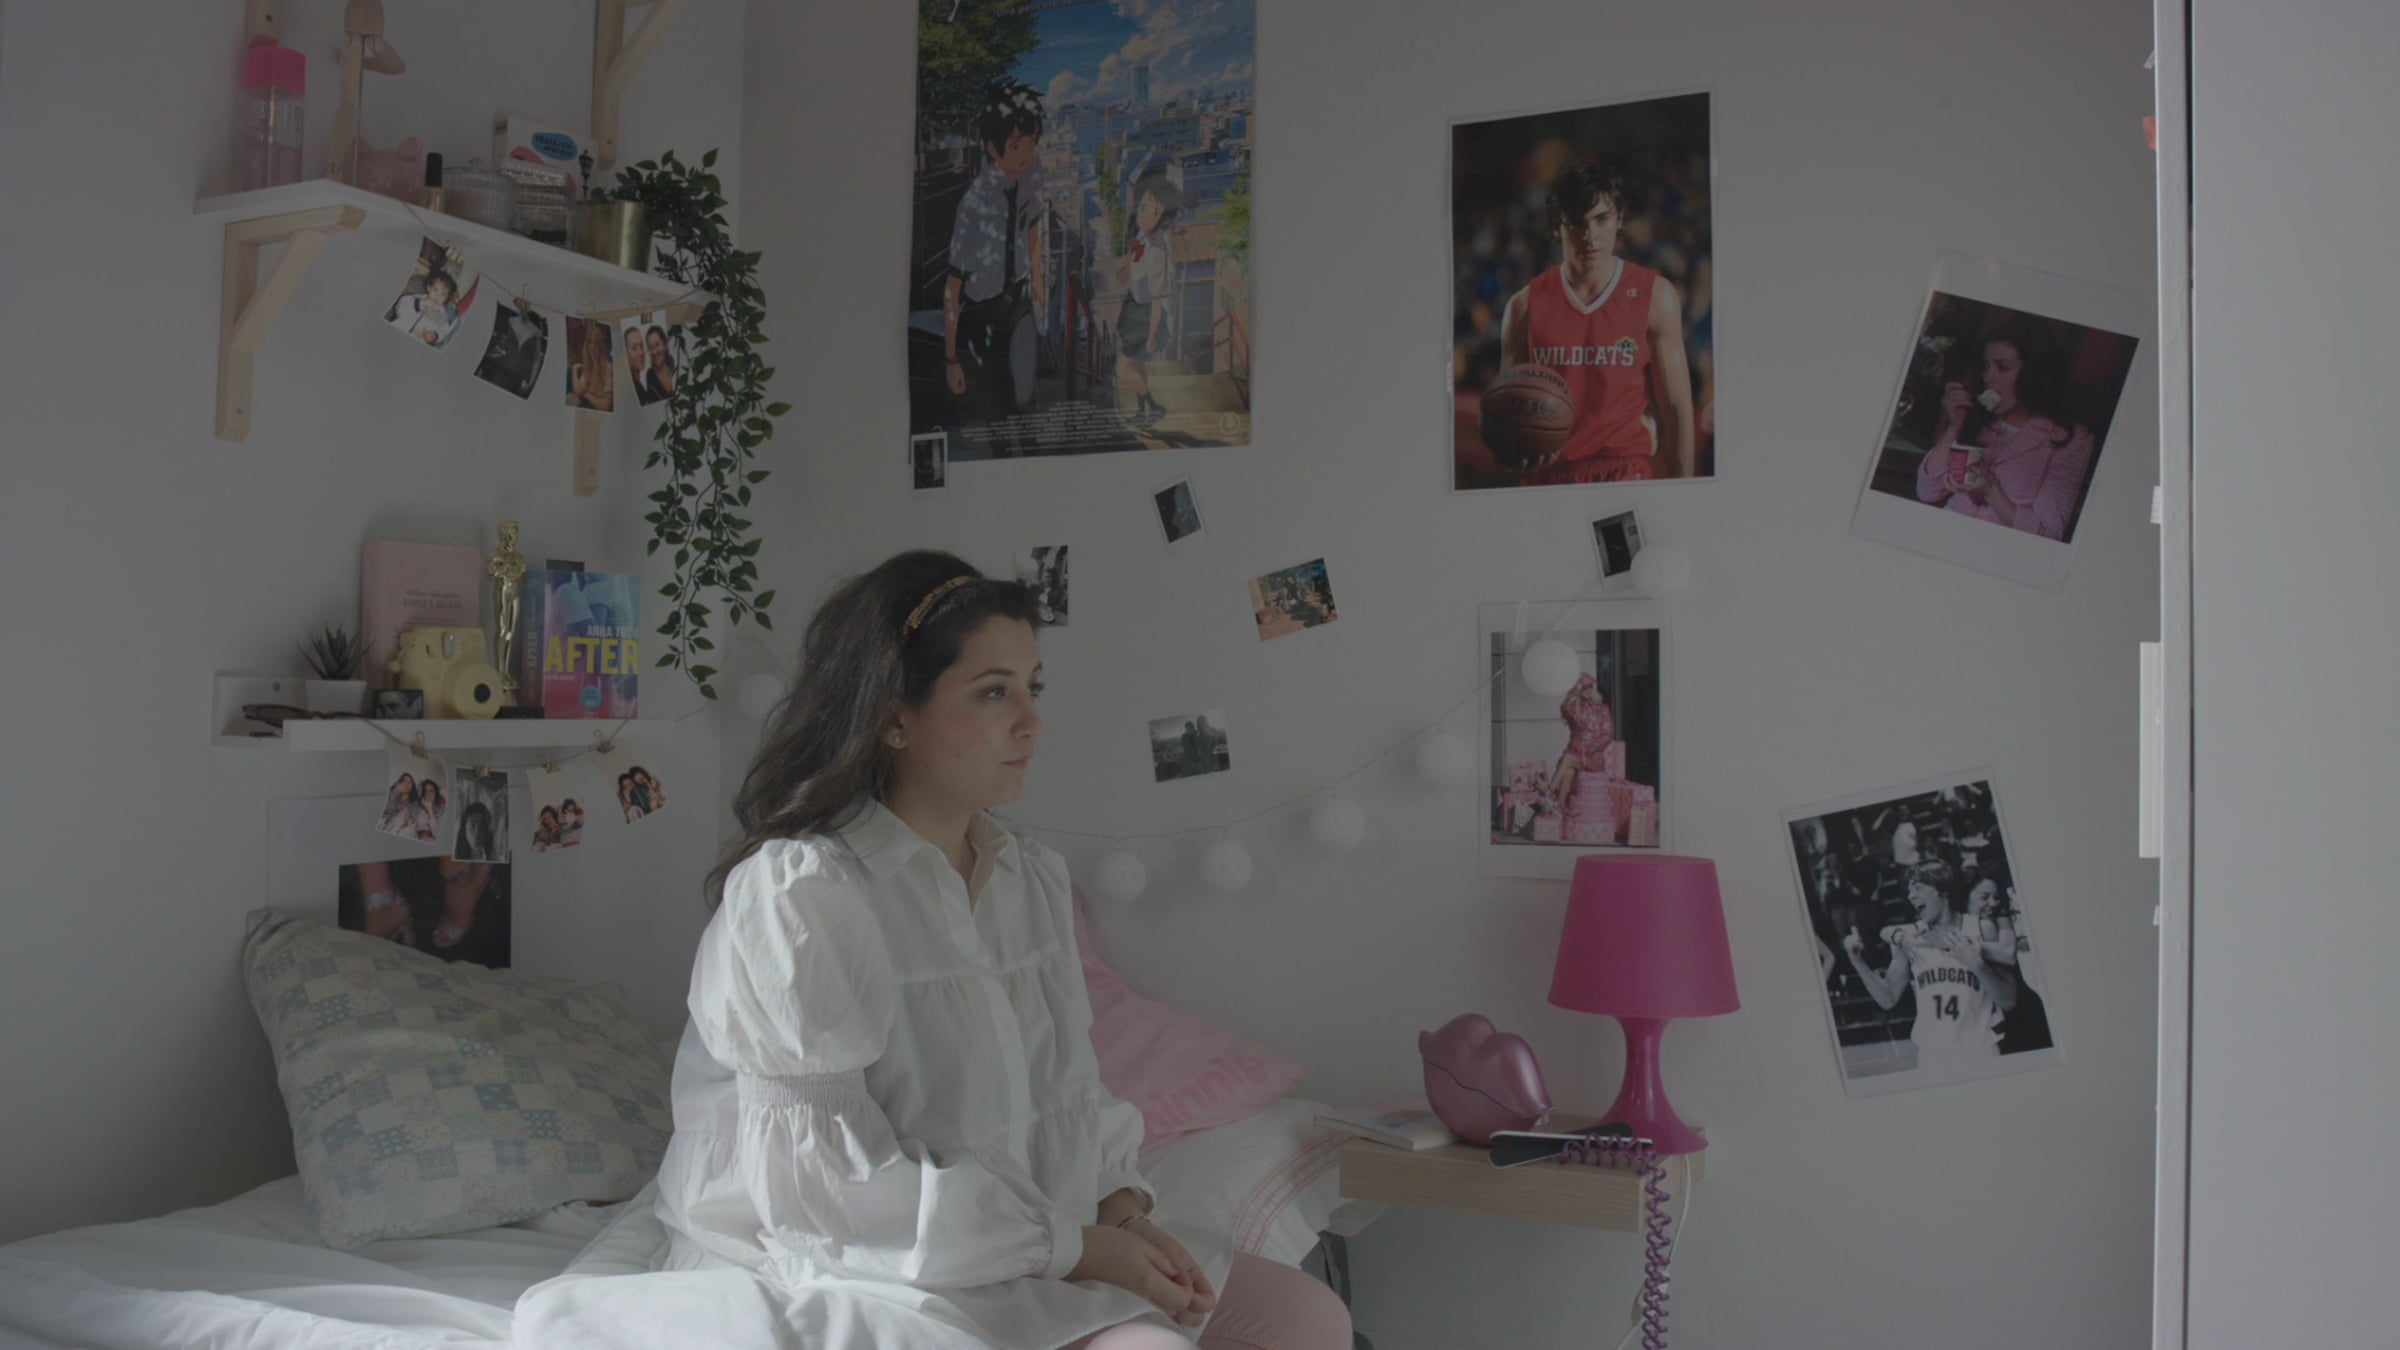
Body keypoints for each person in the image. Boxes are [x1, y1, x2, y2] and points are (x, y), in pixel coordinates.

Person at [651, 551, 1350, 1350]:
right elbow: (824, 1192)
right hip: (862, 1263)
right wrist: (1077, 1250)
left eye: (1032, 688)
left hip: (1033, 1238)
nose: (1031, 723)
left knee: (1310, 1318)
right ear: (893, 715)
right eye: (993, 692)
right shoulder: (803, 894)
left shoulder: (1029, 877)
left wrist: (1123, 1212)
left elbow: (1070, 1090)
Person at [1498, 161, 1698, 483]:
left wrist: (1685, 493)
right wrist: (1514, 447)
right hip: (1548, 478)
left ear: (1619, 220)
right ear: (1557, 227)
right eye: (1577, 222)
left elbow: (1677, 408)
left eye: (1601, 219)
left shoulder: (1654, 296)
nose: (1590, 235)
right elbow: (1506, 420)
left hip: (1625, 473)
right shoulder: (1523, 307)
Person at [1915, 317, 2098, 540]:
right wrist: (1954, 427)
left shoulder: (2072, 437)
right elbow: (1927, 492)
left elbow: (2049, 534)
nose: (1988, 378)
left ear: (2033, 372)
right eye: (1986, 367)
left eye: (2003, 367)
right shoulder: (1978, 417)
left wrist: (1990, 489)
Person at [942, 81, 1048, 440]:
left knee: (1025, 398)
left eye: (1032, 141)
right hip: (982, 314)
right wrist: (951, 359)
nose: (1027, 153)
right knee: (997, 412)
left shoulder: (1031, 179)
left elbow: (1032, 232)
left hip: (1019, 301)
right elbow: (953, 288)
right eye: (1017, 144)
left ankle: (1033, 461)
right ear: (993, 147)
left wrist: (1037, 280)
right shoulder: (974, 206)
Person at [1842, 860, 2001, 1062]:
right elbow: (1887, 999)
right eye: (1909, 890)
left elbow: (2006, 990)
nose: (1910, 896)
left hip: (1982, 1048)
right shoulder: (1908, 937)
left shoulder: (1980, 928)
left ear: (1943, 891)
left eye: (1918, 888)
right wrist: (1858, 962)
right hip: (1933, 1053)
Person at [1116, 170, 1181, 427]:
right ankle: (1145, 412)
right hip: (1133, 305)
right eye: (1143, 206)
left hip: (1145, 315)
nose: (1144, 215)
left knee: (1122, 370)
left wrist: (1152, 336)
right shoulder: (1145, 235)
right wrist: (1126, 264)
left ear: (1163, 218)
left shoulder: (1157, 254)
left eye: (1154, 212)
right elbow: (1135, 255)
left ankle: (1152, 406)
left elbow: (1156, 302)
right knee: (1136, 364)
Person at [1969, 873, 2053, 1054]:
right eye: (1984, 897)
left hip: (2019, 1014)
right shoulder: (1961, 925)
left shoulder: (1993, 922)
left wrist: (1966, 946)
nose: (1993, 903)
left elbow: (2008, 954)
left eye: (1996, 897)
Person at [1546, 673, 1615, 806]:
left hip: (1593, 756)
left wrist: (1590, 749)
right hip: (1575, 754)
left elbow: (1608, 735)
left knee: (1568, 758)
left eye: (1590, 687)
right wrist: (1576, 689)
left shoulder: (1602, 709)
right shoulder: (1575, 708)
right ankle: (1560, 807)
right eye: (1583, 688)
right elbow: (1565, 707)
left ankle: (1549, 792)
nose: (1587, 690)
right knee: (1568, 772)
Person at [389, 270, 460, 346]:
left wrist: (435, 336)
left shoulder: (441, 314)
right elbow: (399, 309)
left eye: (443, 294)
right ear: (429, 288)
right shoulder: (416, 298)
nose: (437, 296)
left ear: (447, 298)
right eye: (435, 290)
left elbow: (443, 332)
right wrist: (420, 303)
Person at [568, 319, 615, 411]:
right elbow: (578, 392)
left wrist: (586, 395)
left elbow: (605, 406)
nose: (593, 348)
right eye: (590, 343)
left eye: (596, 344)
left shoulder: (608, 368)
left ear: (601, 346)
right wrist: (574, 370)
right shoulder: (587, 368)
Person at [642, 325, 676, 403]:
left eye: (657, 345)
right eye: (650, 348)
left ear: (665, 345)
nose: (654, 352)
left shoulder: (674, 363)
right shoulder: (650, 375)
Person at [625, 320, 656, 404]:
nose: (641, 353)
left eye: (641, 346)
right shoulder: (630, 390)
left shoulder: (640, 386)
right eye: (634, 348)